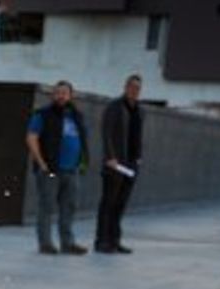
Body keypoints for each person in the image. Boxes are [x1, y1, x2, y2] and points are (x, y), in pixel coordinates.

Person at [25, 80, 88, 255]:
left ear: (71, 95)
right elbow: (31, 137)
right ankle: (45, 243)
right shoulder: (43, 115)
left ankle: (67, 243)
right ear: (53, 95)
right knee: (47, 207)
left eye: (65, 93)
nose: (61, 96)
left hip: (72, 170)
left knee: (69, 207)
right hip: (50, 170)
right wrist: (41, 163)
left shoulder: (77, 116)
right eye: (58, 92)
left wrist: (82, 162)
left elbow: (83, 141)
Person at [95, 74, 144, 254]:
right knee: (108, 203)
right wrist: (110, 157)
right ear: (125, 87)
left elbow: (138, 136)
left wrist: (139, 158)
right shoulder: (114, 107)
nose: (134, 90)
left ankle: (115, 241)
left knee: (120, 205)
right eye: (131, 86)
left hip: (131, 164)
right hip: (114, 163)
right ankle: (101, 241)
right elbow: (106, 132)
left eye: (138, 88)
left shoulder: (139, 110)